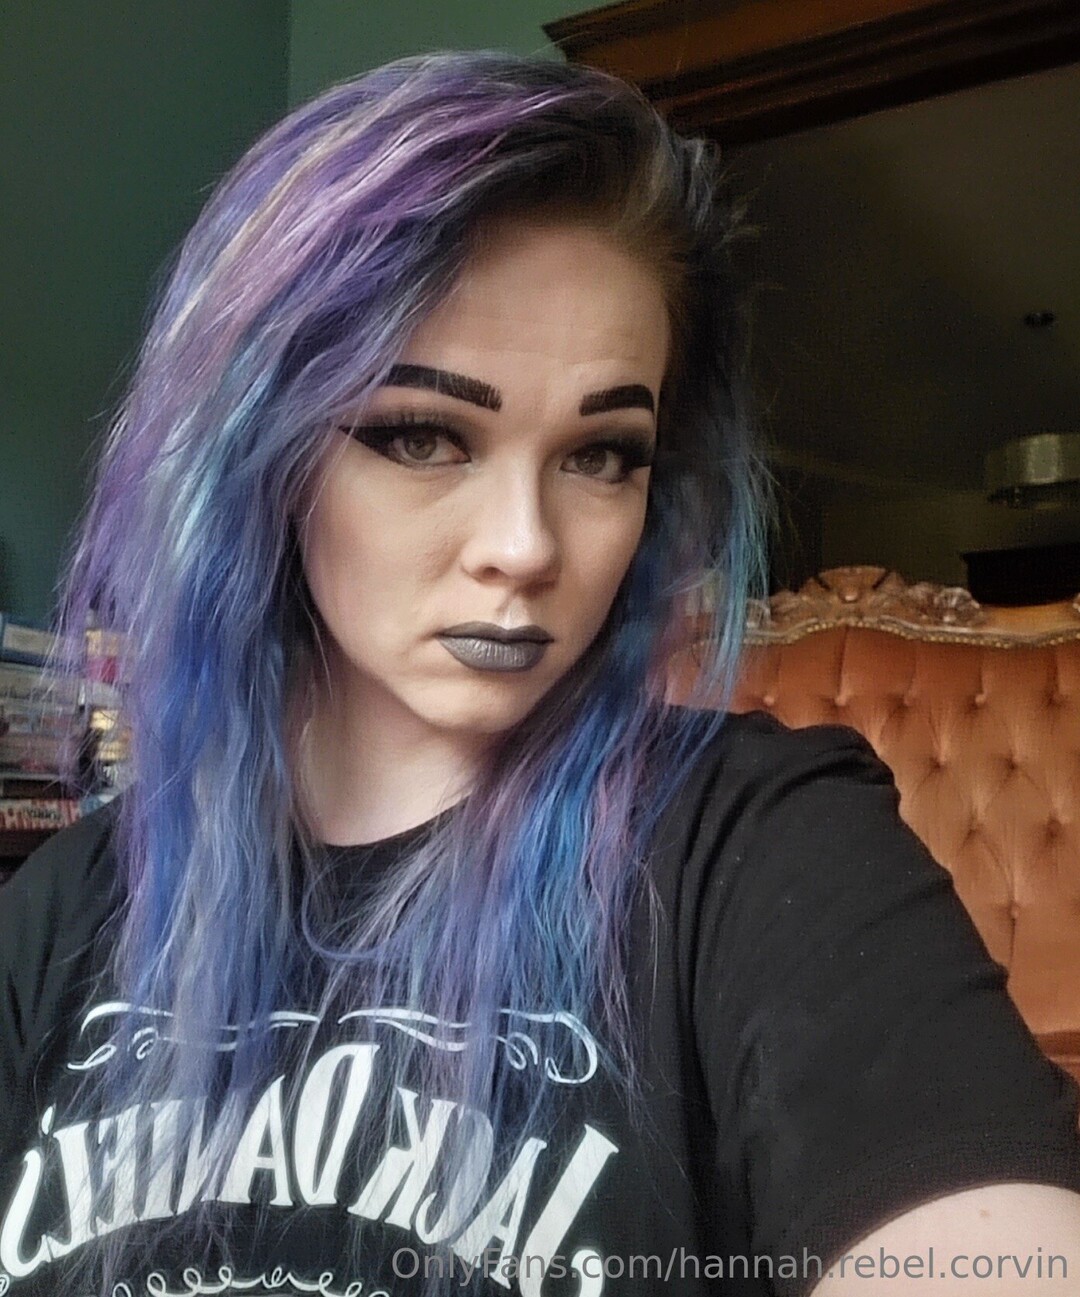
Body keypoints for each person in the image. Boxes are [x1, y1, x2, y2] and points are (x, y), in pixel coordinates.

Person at [1, 49, 1078, 1297]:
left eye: (602, 455)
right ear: (261, 454)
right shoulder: (75, 904)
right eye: (422, 434)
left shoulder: (761, 850)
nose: (525, 547)